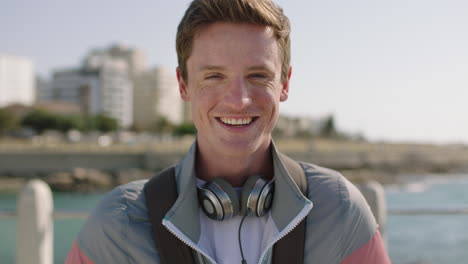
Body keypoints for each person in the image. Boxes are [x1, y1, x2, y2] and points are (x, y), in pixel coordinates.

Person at [66, 0, 391, 263]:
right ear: (183, 85)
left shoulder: (339, 209)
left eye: (258, 75)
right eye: (214, 76)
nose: (238, 101)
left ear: (285, 84)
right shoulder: (117, 225)